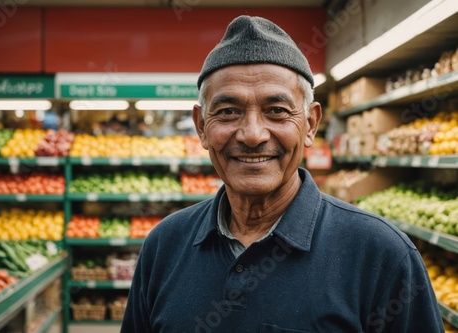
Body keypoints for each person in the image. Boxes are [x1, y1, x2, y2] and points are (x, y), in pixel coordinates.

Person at [121, 15, 444, 333]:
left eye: (276, 111)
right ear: (202, 127)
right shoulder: (165, 244)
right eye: (228, 112)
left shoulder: (381, 254)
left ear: (310, 125)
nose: (252, 135)